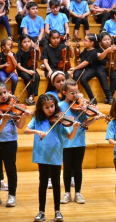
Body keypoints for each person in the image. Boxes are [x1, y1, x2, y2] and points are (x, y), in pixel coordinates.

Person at [24, 93, 80, 222]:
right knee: (42, 183)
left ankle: (57, 211)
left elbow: (70, 137)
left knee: (55, 183)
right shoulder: (37, 120)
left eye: (52, 106)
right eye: (47, 107)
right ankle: (41, 212)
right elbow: (26, 130)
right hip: (42, 155)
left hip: (56, 154)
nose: (50, 109)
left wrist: (75, 128)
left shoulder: (60, 121)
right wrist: (37, 131)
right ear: (41, 108)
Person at [59, 79, 104, 205]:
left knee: (77, 168)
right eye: (72, 93)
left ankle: (78, 192)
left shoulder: (81, 106)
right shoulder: (60, 106)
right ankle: (67, 193)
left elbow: (86, 123)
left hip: (79, 142)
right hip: (66, 142)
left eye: (77, 92)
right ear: (65, 93)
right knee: (67, 168)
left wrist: (95, 118)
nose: (76, 95)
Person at [0, 81, 30, 207]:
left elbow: (20, 126)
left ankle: (12, 195)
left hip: (10, 142)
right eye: (0, 94)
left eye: (5, 92)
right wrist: (4, 120)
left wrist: (23, 117)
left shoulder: (13, 106)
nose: (3, 96)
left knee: (11, 169)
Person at [71, 34, 100, 102]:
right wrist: (79, 48)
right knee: (75, 77)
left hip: (90, 69)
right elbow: (81, 56)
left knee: (83, 79)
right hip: (83, 68)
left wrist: (75, 68)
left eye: (86, 40)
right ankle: (72, 96)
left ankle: (92, 98)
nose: (83, 41)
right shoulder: (85, 49)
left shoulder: (94, 52)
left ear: (92, 43)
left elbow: (85, 63)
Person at [16, 34, 41, 105]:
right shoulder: (19, 52)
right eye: (24, 42)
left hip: (31, 67)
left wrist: (38, 51)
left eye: (28, 41)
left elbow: (39, 59)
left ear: (31, 42)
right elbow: (18, 66)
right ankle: (30, 96)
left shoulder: (32, 50)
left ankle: (31, 96)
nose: (27, 43)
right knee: (27, 77)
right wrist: (28, 71)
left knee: (37, 77)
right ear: (21, 43)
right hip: (22, 69)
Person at [97, 31, 116, 104]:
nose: (107, 41)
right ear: (100, 42)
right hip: (100, 65)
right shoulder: (97, 47)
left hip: (111, 65)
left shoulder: (113, 46)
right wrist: (107, 51)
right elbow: (100, 58)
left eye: (109, 39)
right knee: (101, 75)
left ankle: (109, 97)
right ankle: (109, 97)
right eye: (104, 40)